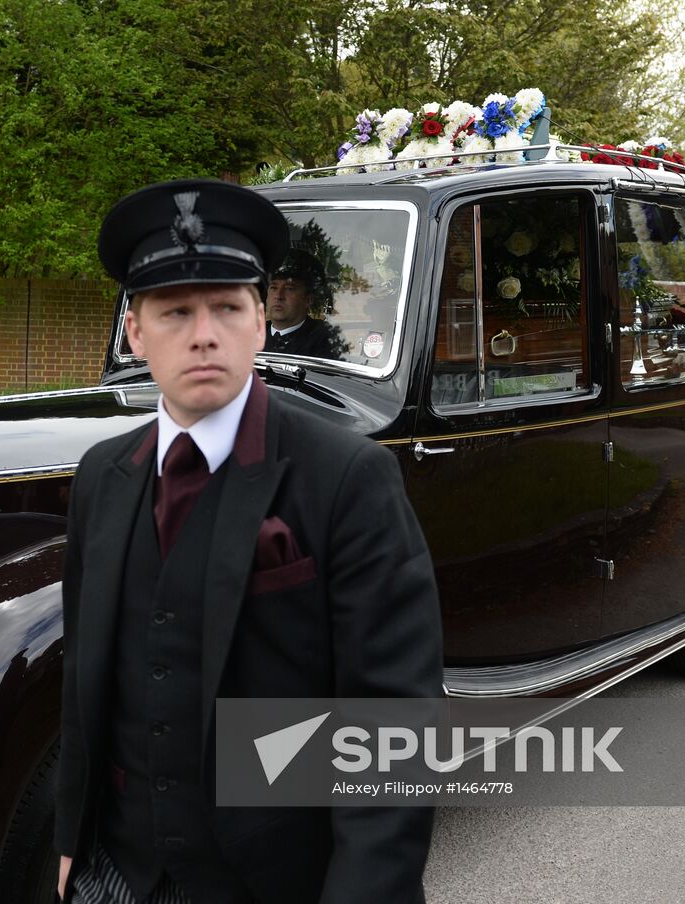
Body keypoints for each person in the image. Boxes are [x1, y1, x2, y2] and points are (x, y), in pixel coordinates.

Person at [56, 179, 443, 904]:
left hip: (275, 879)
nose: (204, 334)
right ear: (136, 333)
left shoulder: (347, 476)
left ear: (260, 322)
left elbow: (392, 718)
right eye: (175, 312)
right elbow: (85, 678)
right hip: (119, 873)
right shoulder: (101, 476)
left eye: (228, 308)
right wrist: (69, 841)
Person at [263, 249, 347, 360]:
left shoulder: (325, 339)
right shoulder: (253, 333)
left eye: (289, 288)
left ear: (308, 300)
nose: (278, 296)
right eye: (273, 288)